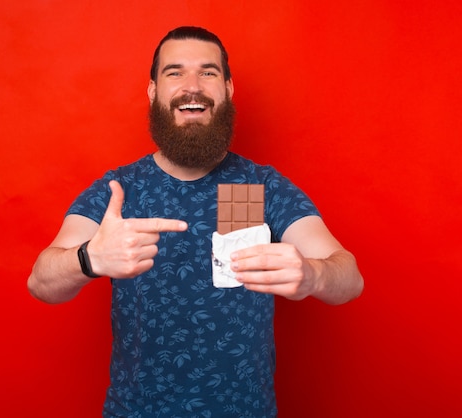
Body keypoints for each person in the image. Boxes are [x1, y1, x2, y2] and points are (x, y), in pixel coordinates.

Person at [28, 26, 363, 417]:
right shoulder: (119, 190)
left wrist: (313, 275)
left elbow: (350, 278)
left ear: (228, 89)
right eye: (174, 73)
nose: (192, 86)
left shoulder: (261, 186)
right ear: (153, 91)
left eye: (208, 72)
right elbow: (41, 282)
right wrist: (88, 259)